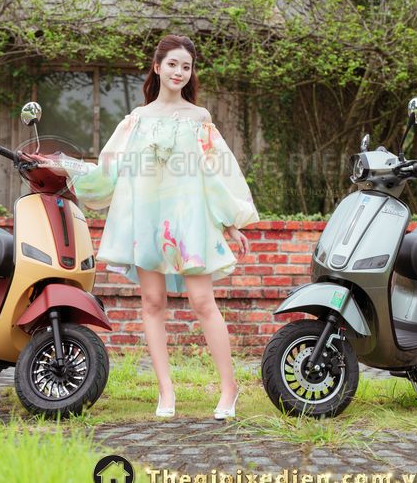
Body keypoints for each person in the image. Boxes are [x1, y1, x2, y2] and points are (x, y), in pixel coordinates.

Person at [37, 34, 258, 420]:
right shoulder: (135, 121)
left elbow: (217, 172)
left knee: (202, 302)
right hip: (147, 221)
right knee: (153, 302)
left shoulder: (199, 119)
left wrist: (231, 222)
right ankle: (165, 390)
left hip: (190, 221)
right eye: (172, 64)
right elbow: (108, 169)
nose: (179, 72)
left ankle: (229, 388)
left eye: (186, 66)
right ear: (157, 67)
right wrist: (65, 166)